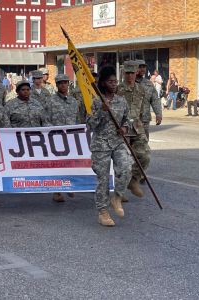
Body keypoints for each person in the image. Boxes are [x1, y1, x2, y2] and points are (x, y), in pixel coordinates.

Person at [88, 66, 132, 227]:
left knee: (127, 168)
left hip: (118, 141)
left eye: (115, 81)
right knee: (103, 179)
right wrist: (102, 110)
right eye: (110, 81)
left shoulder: (121, 100)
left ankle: (117, 196)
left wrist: (125, 128)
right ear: (104, 83)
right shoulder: (96, 101)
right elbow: (90, 125)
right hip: (101, 145)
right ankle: (103, 212)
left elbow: (127, 119)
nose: (114, 84)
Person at [45, 74, 82, 203]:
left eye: (65, 83)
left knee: (71, 163)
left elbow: (77, 120)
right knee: (57, 165)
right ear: (56, 85)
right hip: (56, 138)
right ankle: (57, 191)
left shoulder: (73, 101)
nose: (63, 85)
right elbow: (45, 120)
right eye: (60, 83)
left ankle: (69, 185)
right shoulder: (50, 101)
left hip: (71, 138)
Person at [117, 61, 148, 199]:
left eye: (132, 73)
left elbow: (141, 109)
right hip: (121, 128)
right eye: (127, 73)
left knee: (145, 156)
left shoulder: (141, 89)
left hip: (136, 127)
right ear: (124, 74)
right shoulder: (117, 90)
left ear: (136, 73)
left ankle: (133, 180)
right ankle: (120, 190)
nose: (130, 76)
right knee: (123, 161)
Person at [136, 60, 162, 138]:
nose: (142, 69)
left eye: (144, 67)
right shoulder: (129, 83)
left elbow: (154, 100)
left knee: (144, 142)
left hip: (144, 118)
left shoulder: (148, 83)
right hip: (130, 119)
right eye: (140, 67)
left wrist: (158, 114)